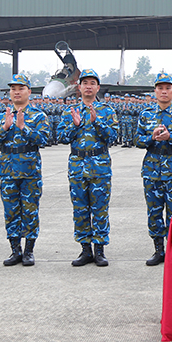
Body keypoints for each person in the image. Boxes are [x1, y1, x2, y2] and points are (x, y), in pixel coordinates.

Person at [57, 69, 119, 267]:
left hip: (99, 166)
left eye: (93, 83)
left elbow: (113, 137)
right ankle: (85, 250)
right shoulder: (70, 111)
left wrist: (97, 122)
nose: (89, 86)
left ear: (98, 87)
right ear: (79, 87)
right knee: (80, 209)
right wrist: (75, 125)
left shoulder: (107, 111)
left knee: (100, 209)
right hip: (77, 166)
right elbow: (61, 137)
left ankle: (99, 250)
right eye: (85, 83)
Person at [0, 74, 51, 266]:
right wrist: (5, 128)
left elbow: (44, 139)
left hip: (30, 172)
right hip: (8, 171)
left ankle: (29, 251)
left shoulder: (39, 116)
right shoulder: (1, 117)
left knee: (30, 211)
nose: (16, 92)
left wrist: (24, 128)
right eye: (13, 88)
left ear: (29, 92)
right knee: (11, 211)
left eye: (21, 88)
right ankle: (15, 250)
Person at [134, 72, 172, 266]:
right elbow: (137, 140)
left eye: (167, 88)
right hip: (151, 171)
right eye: (160, 88)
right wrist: (151, 137)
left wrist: (171, 138)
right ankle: (158, 250)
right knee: (154, 212)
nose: (164, 92)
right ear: (155, 91)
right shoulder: (146, 114)